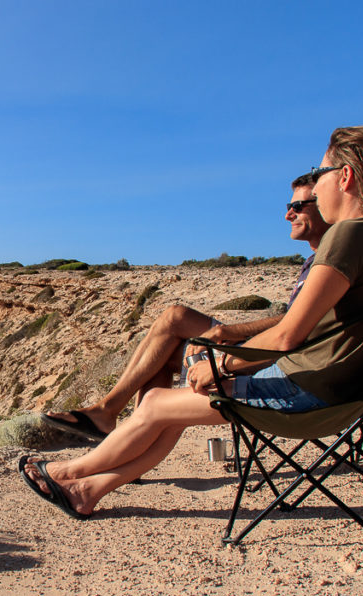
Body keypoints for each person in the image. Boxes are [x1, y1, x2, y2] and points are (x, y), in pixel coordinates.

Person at [21, 126, 363, 519]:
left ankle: (69, 471)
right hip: (358, 387)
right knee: (171, 402)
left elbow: (290, 335)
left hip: (311, 394)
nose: (318, 180)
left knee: (158, 402)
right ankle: (88, 489)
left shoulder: (348, 237)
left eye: (322, 169)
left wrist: (222, 365)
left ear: (344, 177)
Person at [40, 173, 332, 442]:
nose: (287, 214)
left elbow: (296, 326)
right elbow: (295, 316)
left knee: (169, 339)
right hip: (279, 349)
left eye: (298, 205)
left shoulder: (333, 262)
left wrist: (229, 332)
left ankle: (117, 429)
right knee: (174, 318)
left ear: (325, 204)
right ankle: (114, 423)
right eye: (288, 205)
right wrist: (227, 331)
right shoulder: (317, 259)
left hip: (282, 361)